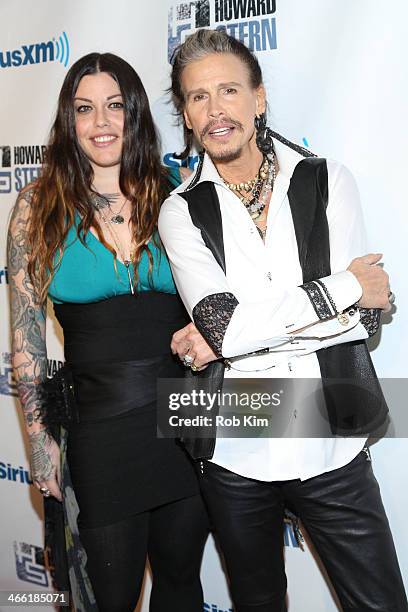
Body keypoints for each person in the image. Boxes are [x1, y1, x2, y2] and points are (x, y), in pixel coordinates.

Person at [158, 29, 408, 612]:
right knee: (258, 602)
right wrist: (343, 286)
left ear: (259, 98)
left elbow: (358, 324)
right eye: (198, 98)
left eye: (228, 90)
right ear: (188, 118)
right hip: (236, 450)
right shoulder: (181, 211)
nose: (216, 110)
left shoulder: (327, 181)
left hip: (331, 441)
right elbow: (227, 330)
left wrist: (237, 334)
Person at [7, 52, 211, 612]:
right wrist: (40, 444)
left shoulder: (178, 190)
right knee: (108, 597)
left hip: (184, 422)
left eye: (115, 106)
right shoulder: (37, 207)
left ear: (136, 112)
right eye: (85, 109)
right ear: (68, 122)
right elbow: (25, 340)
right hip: (99, 432)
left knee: (182, 585)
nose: (102, 122)